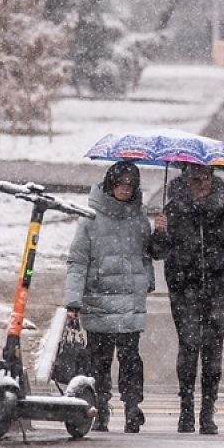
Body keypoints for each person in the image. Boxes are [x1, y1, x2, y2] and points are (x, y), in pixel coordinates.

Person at [64, 161, 167, 433]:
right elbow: (77, 261)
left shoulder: (138, 219)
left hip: (130, 299)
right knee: (100, 359)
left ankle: (132, 407)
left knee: (130, 358)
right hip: (99, 298)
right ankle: (101, 407)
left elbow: (154, 253)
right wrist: (73, 300)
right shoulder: (90, 219)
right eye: (121, 183)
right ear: (111, 184)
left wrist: (161, 233)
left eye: (130, 185)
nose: (125, 189)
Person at [155, 163, 224, 434]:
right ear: (185, 181)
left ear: (213, 179)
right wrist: (160, 232)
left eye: (205, 178)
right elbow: (157, 252)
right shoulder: (173, 209)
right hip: (184, 289)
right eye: (194, 179)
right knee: (188, 346)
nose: (200, 184)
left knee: (213, 350)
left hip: (219, 290)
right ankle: (186, 409)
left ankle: (207, 412)